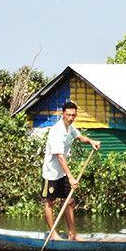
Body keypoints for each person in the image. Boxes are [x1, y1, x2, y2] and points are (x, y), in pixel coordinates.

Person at [42, 101, 100, 240]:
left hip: (62, 172)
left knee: (69, 201)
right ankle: (53, 234)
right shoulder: (57, 131)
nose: (71, 118)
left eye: (73, 115)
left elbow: (80, 137)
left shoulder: (70, 127)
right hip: (51, 172)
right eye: (68, 115)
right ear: (62, 114)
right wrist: (71, 177)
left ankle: (72, 234)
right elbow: (60, 157)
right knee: (51, 202)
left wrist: (91, 141)